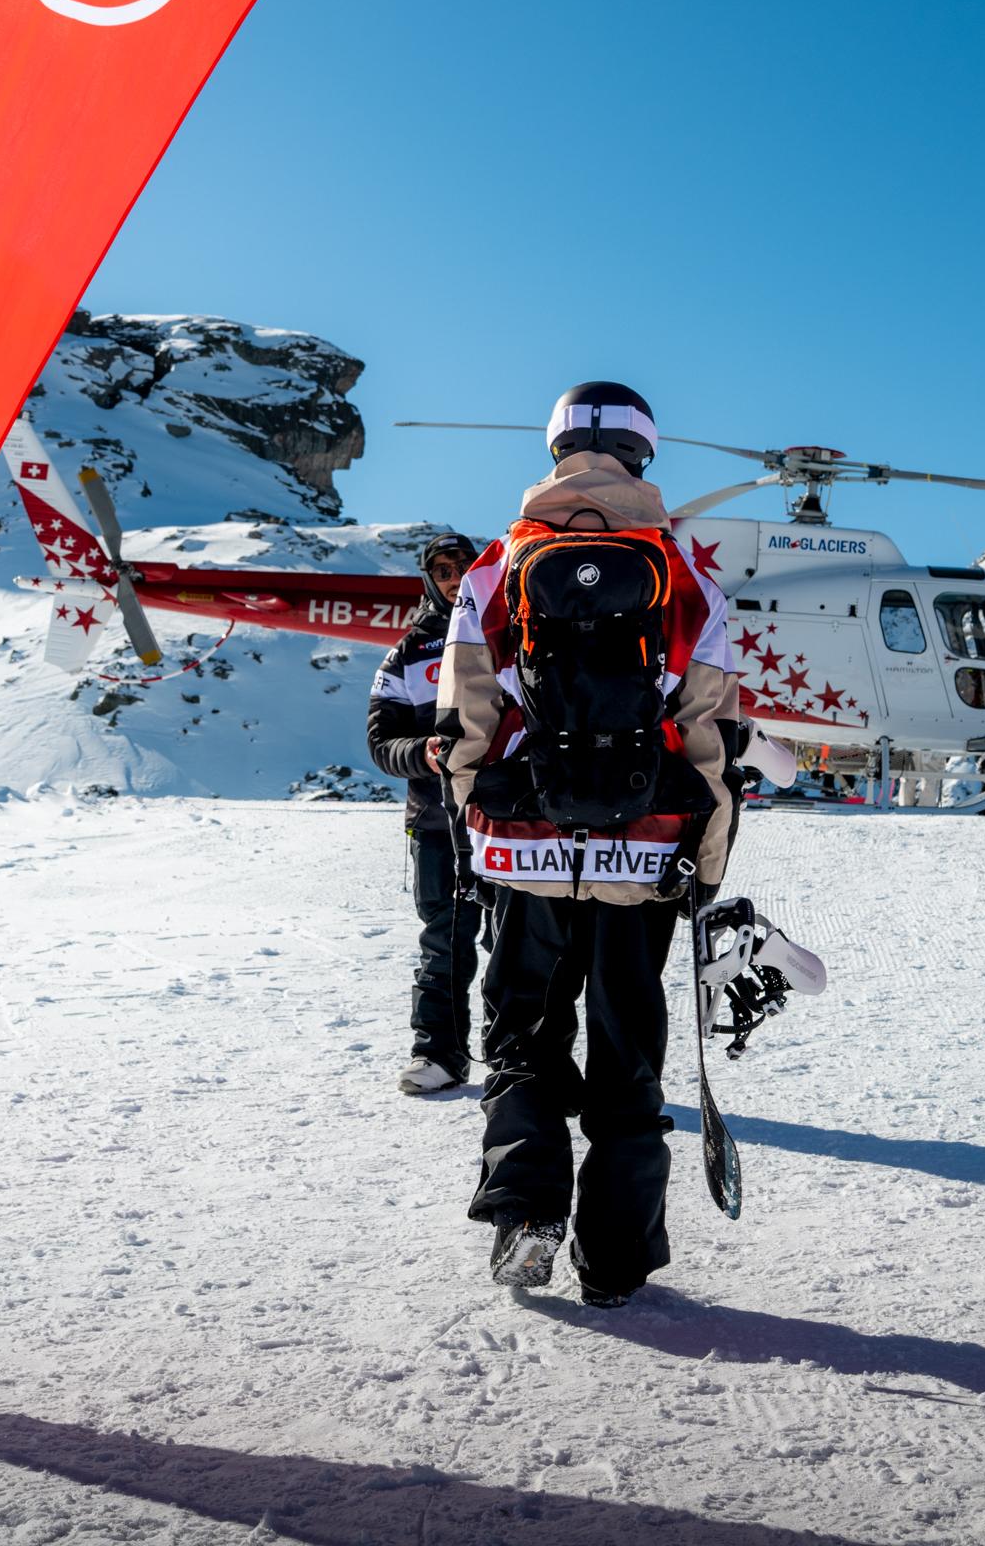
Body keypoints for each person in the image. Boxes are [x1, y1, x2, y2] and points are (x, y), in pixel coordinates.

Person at [437, 381, 740, 1307]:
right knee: (626, 1051)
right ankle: (615, 1258)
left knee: (523, 1037)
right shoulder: (686, 574)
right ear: (646, 455)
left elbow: (464, 719)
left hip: (526, 848)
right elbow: (709, 733)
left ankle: (526, 1211)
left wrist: (478, 829)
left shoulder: (497, 566)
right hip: (644, 855)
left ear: (554, 448)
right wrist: (701, 862)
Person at [368, 531, 483, 1094]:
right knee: (445, 940)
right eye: (442, 569)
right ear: (429, 580)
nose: (455, 575)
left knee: (526, 945)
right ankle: (439, 1053)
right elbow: (380, 741)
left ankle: (523, 1058)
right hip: (438, 824)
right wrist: (422, 753)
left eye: (464, 564)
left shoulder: (513, 630)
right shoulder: (408, 653)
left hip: (512, 818)